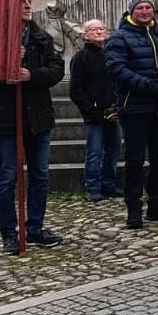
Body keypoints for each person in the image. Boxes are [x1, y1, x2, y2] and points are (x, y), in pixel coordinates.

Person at [0, 0, 65, 254]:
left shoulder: (41, 38)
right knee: (8, 177)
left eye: (28, 2)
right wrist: (7, 65)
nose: (26, 6)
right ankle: (9, 233)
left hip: (38, 118)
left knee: (40, 174)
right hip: (7, 118)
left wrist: (31, 74)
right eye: (21, 2)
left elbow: (56, 70)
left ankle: (34, 227)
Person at [105, 0, 158, 229]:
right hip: (135, 106)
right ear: (132, 11)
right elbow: (116, 69)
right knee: (135, 159)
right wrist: (147, 84)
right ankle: (133, 208)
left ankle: (157, 204)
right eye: (140, 8)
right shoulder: (120, 37)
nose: (145, 11)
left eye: (148, 7)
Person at [69, 18, 120, 202]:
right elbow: (76, 90)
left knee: (113, 148)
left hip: (113, 109)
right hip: (94, 112)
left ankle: (109, 184)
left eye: (101, 29)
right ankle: (93, 187)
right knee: (95, 150)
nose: (99, 32)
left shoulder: (112, 54)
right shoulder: (80, 57)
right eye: (93, 29)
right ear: (85, 35)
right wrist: (90, 110)